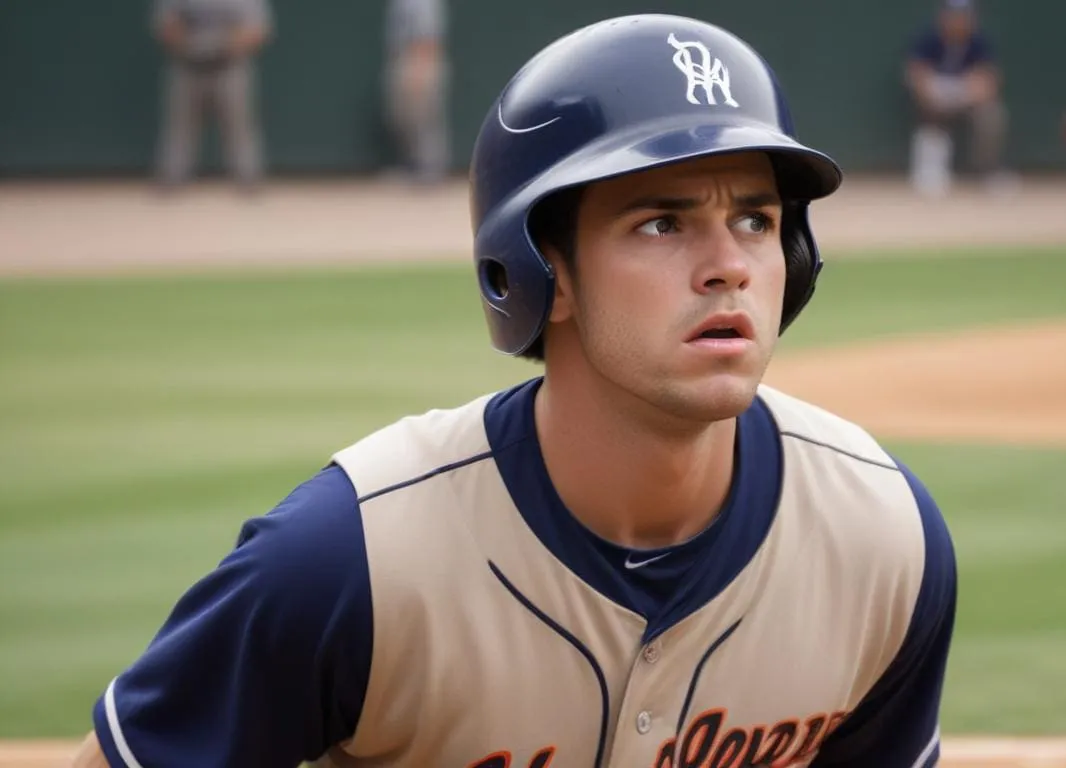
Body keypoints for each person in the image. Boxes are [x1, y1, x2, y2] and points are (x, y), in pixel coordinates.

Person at [68, 13, 957, 768]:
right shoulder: (352, 559)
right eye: (662, 222)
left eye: (756, 221)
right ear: (543, 274)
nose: (729, 266)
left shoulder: (884, 540)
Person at [151, 0, 272, 194]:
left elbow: (257, 29)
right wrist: (190, 48)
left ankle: (249, 181)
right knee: (180, 127)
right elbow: (166, 25)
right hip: (188, 65)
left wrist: (223, 49)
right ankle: (171, 179)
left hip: (230, 66)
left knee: (239, 128)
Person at [904, 0, 1015, 197]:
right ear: (943, 17)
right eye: (954, 16)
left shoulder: (979, 42)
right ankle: (931, 172)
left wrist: (965, 94)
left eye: (963, 16)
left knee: (991, 115)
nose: (958, 21)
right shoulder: (928, 39)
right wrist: (935, 93)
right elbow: (916, 74)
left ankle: (988, 172)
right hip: (936, 97)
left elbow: (989, 80)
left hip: (967, 97)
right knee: (929, 109)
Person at [384, 0, 450, 184]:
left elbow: (428, 38)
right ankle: (413, 169)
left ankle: (429, 172)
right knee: (407, 118)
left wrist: (420, 68)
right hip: (405, 58)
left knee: (425, 119)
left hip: (419, 60)